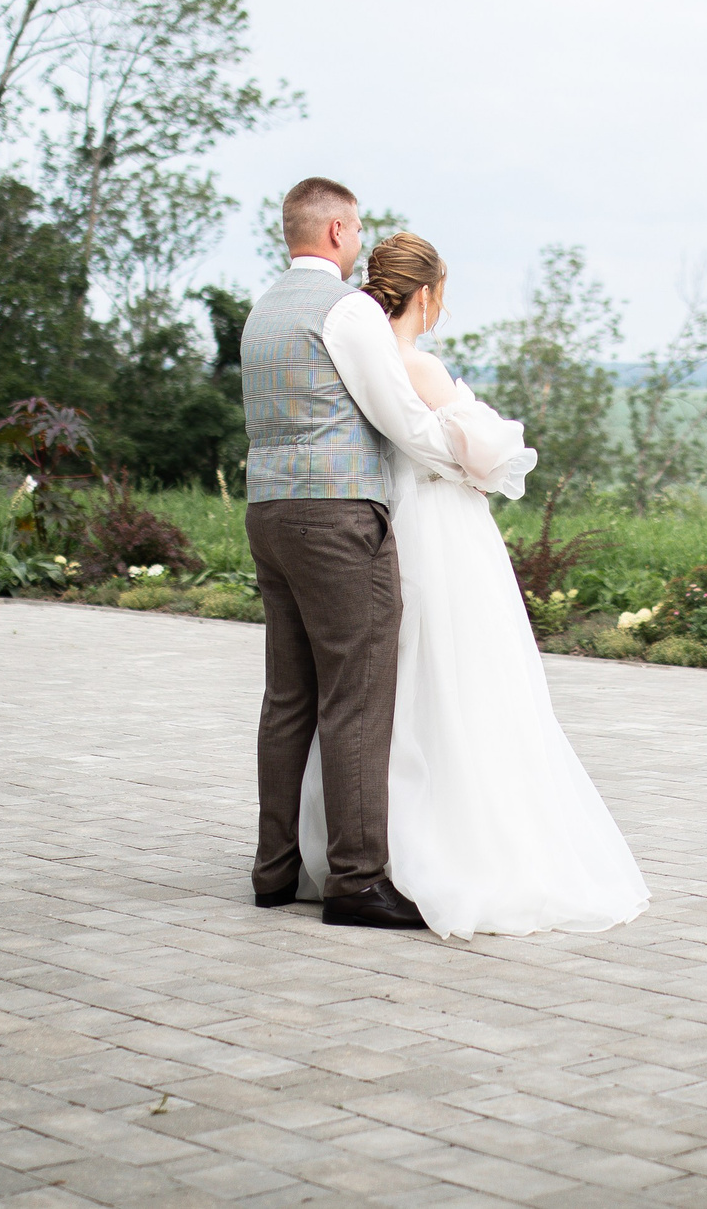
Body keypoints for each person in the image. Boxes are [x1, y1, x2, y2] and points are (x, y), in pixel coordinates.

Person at [291, 230, 649, 939]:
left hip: (392, 515)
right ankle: (457, 842)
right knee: (464, 673)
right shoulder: (416, 364)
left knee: (391, 680)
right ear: (427, 294)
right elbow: (486, 451)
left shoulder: (357, 365)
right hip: (442, 532)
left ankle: (358, 843)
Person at [241, 177, 469, 929]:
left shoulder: (263, 311)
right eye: (359, 227)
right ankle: (357, 879)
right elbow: (399, 415)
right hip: (337, 518)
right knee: (358, 695)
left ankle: (273, 870)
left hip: (268, 511)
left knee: (289, 696)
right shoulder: (346, 311)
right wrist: (471, 451)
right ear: (337, 230)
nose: (363, 239)